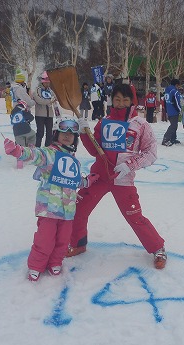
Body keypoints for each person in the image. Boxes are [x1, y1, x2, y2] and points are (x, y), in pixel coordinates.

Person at [65, 83, 167, 269]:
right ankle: (78, 243)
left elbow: (150, 152)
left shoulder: (140, 125)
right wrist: (84, 133)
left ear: (132, 102)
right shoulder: (104, 122)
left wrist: (130, 165)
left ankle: (158, 248)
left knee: (134, 216)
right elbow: (94, 151)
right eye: (117, 99)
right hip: (99, 177)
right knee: (78, 209)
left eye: (125, 100)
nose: (120, 103)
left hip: (123, 180)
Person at [3, 117, 100, 281]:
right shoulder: (49, 154)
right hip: (49, 208)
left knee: (63, 240)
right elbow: (34, 154)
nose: (67, 137)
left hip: (68, 211)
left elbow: (75, 181)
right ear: (56, 134)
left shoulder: (73, 161)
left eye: (71, 135)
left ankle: (55, 262)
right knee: (45, 240)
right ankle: (36, 266)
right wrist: (18, 151)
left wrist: (88, 181)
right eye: (63, 133)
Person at [33, 71, 57, 147]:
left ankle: (48, 148)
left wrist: (54, 100)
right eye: (46, 82)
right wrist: (49, 101)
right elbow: (39, 100)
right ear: (42, 82)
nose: (47, 84)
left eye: (48, 82)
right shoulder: (37, 90)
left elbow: (55, 98)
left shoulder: (50, 91)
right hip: (40, 115)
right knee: (40, 132)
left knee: (49, 133)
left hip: (49, 115)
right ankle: (37, 148)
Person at [162, 78, 182, 146]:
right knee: (173, 126)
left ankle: (173, 138)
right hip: (174, 111)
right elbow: (176, 102)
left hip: (169, 110)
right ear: (176, 85)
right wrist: (179, 110)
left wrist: (166, 110)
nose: (178, 87)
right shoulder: (175, 91)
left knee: (174, 125)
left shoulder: (167, 91)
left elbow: (164, 101)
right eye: (178, 86)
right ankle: (166, 139)